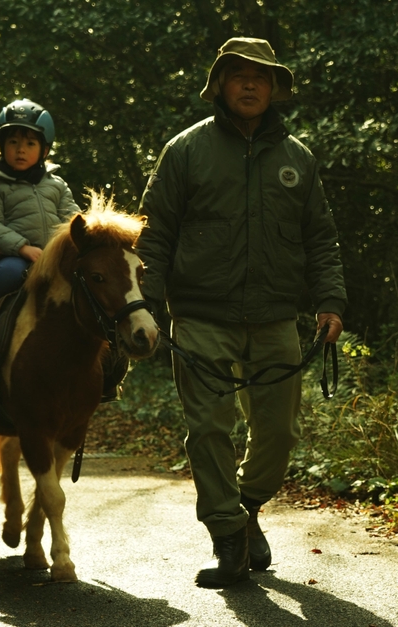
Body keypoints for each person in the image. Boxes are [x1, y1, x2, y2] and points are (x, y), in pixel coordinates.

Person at [136, 37, 347, 588]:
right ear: (220, 85)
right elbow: (154, 236)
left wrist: (330, 302)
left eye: (262, 76)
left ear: (275, 88)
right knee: (209, 428)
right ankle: (228, 537)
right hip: (201, 315)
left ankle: (247, 507)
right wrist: (147, 310)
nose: (251, 84)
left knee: (279, 432)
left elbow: (321, 238)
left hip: (277, 316)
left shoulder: (298, 157)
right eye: (239, 75)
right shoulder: (185, 151)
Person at [0, 98, 79, 345]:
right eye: (13, 142)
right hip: (18, 256)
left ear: (44, 150)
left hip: (56, 255)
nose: (21, 149)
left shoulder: (56, 184)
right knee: (9, 272)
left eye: (30, 143)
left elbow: (72, 218)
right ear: (1, 146)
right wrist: (23, 248)